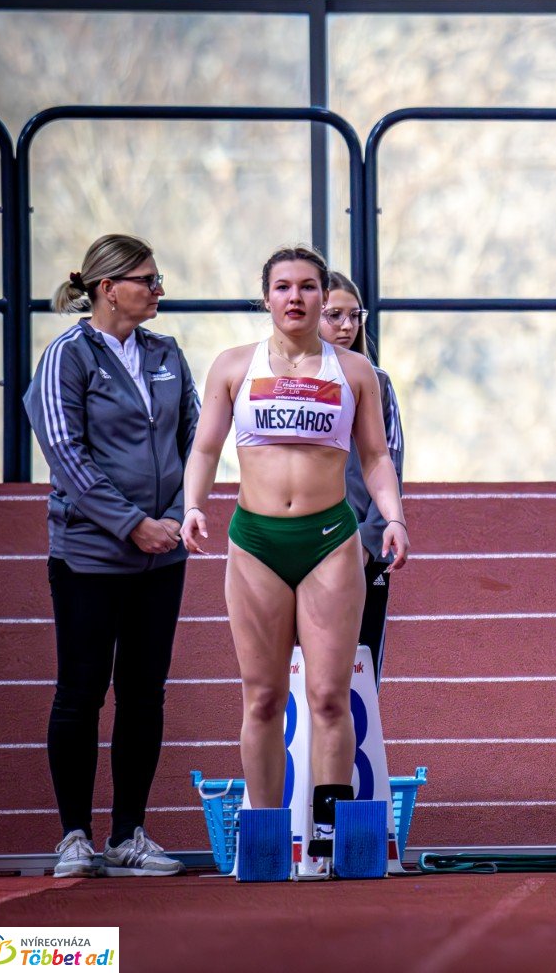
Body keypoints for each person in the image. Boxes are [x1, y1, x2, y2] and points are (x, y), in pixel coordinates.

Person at [181, 244, 408, 879]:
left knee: (330, 696)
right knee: (262, 698)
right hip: (255, 542)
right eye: (283, 287)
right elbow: (204, 447)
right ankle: (265, 840)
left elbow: (375, 457)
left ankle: (329, 843)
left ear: (321, 295)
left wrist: (393, 517)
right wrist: (191, 506)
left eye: (307, 286)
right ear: (266, 297)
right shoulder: (231, 367)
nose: (296, 298)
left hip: (330, 539)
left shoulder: (355, 371)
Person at [26, 234, 198, 878]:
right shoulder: (66, 357)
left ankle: (129, 834)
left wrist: (176, 519)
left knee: (144, 694)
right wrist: (132, 526)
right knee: (80, 691)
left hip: (163, 558)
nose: (159, 290)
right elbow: (68, 456)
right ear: (107, 288)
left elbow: (197, 442)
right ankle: (75, 835)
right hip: (90, 557)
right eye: (149, 280)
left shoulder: (166, 353)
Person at [318, 271, 404, 687]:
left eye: (355, 315)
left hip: (366, 550)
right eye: (334, 315)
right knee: (302, 669)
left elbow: (389, 464)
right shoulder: (287, 383)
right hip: (306, 545)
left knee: (361, 673)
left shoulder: (379, 383)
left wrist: (368, 544)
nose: (347, 326)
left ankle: (354, 756)